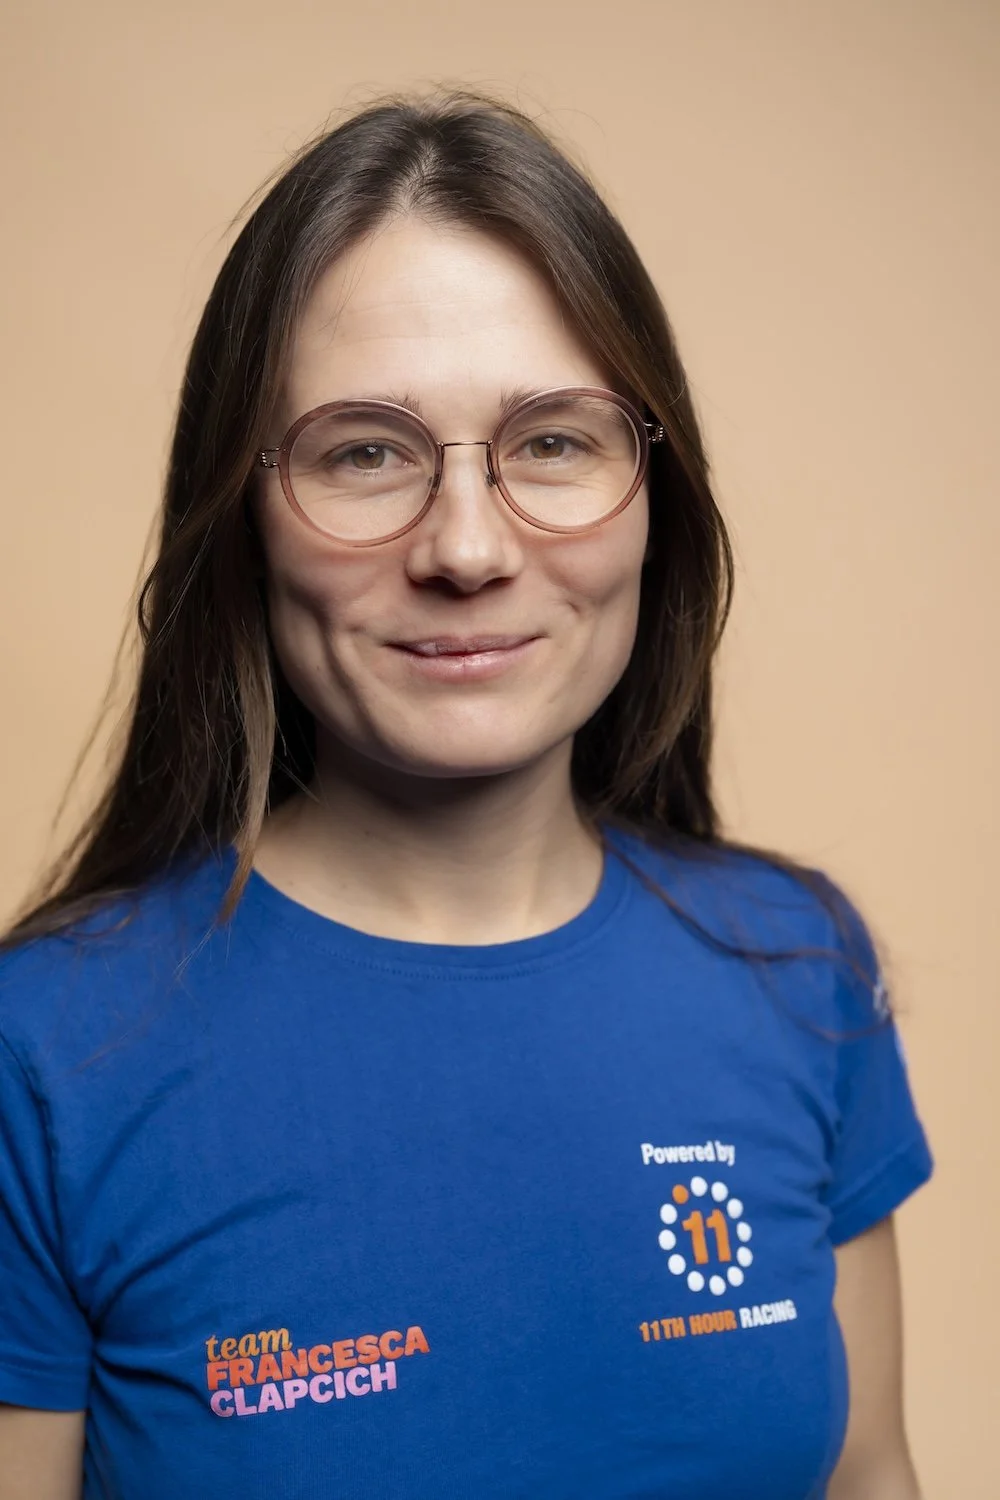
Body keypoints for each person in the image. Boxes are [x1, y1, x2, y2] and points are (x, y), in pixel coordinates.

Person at [0, 89, 932, 1499]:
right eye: (363, 451)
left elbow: (871, 1473)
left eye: (555, 439)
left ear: (653, 495)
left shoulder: (799, 969)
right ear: (240, 516)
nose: (468, 545)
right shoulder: (45, 1057)